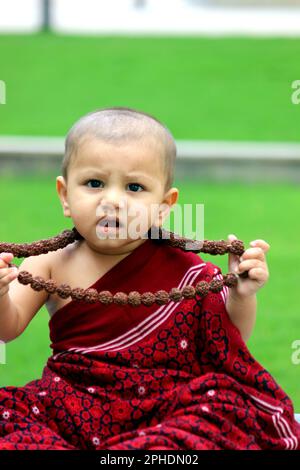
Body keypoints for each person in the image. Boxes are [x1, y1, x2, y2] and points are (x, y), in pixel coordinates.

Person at [0, 107, 299, 450]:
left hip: (165, 409)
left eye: (135, 187)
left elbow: (228, 341)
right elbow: (8, 328)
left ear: (164, 204)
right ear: (65, 195)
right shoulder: (49, 262)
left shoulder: (188, 270)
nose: (112, 201)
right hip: (70, 408)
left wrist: (242, 295)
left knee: (221, 410)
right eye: (94, 183)